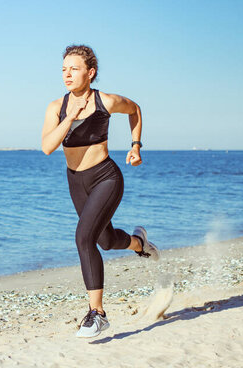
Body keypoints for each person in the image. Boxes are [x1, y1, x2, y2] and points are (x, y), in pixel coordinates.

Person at [41, 45, 159, 338]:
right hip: (76, 182)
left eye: (75, 68)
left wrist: (136, 145)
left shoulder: (105, 101)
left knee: (83, 238)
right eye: (64, 69)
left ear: (90, 73)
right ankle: (139, 243)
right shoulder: (56, 107)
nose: (68, 74)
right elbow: (46, 147)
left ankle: (98, 314)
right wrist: (70, 117)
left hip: (106, 178)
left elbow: (135, 109)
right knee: (104, 240)